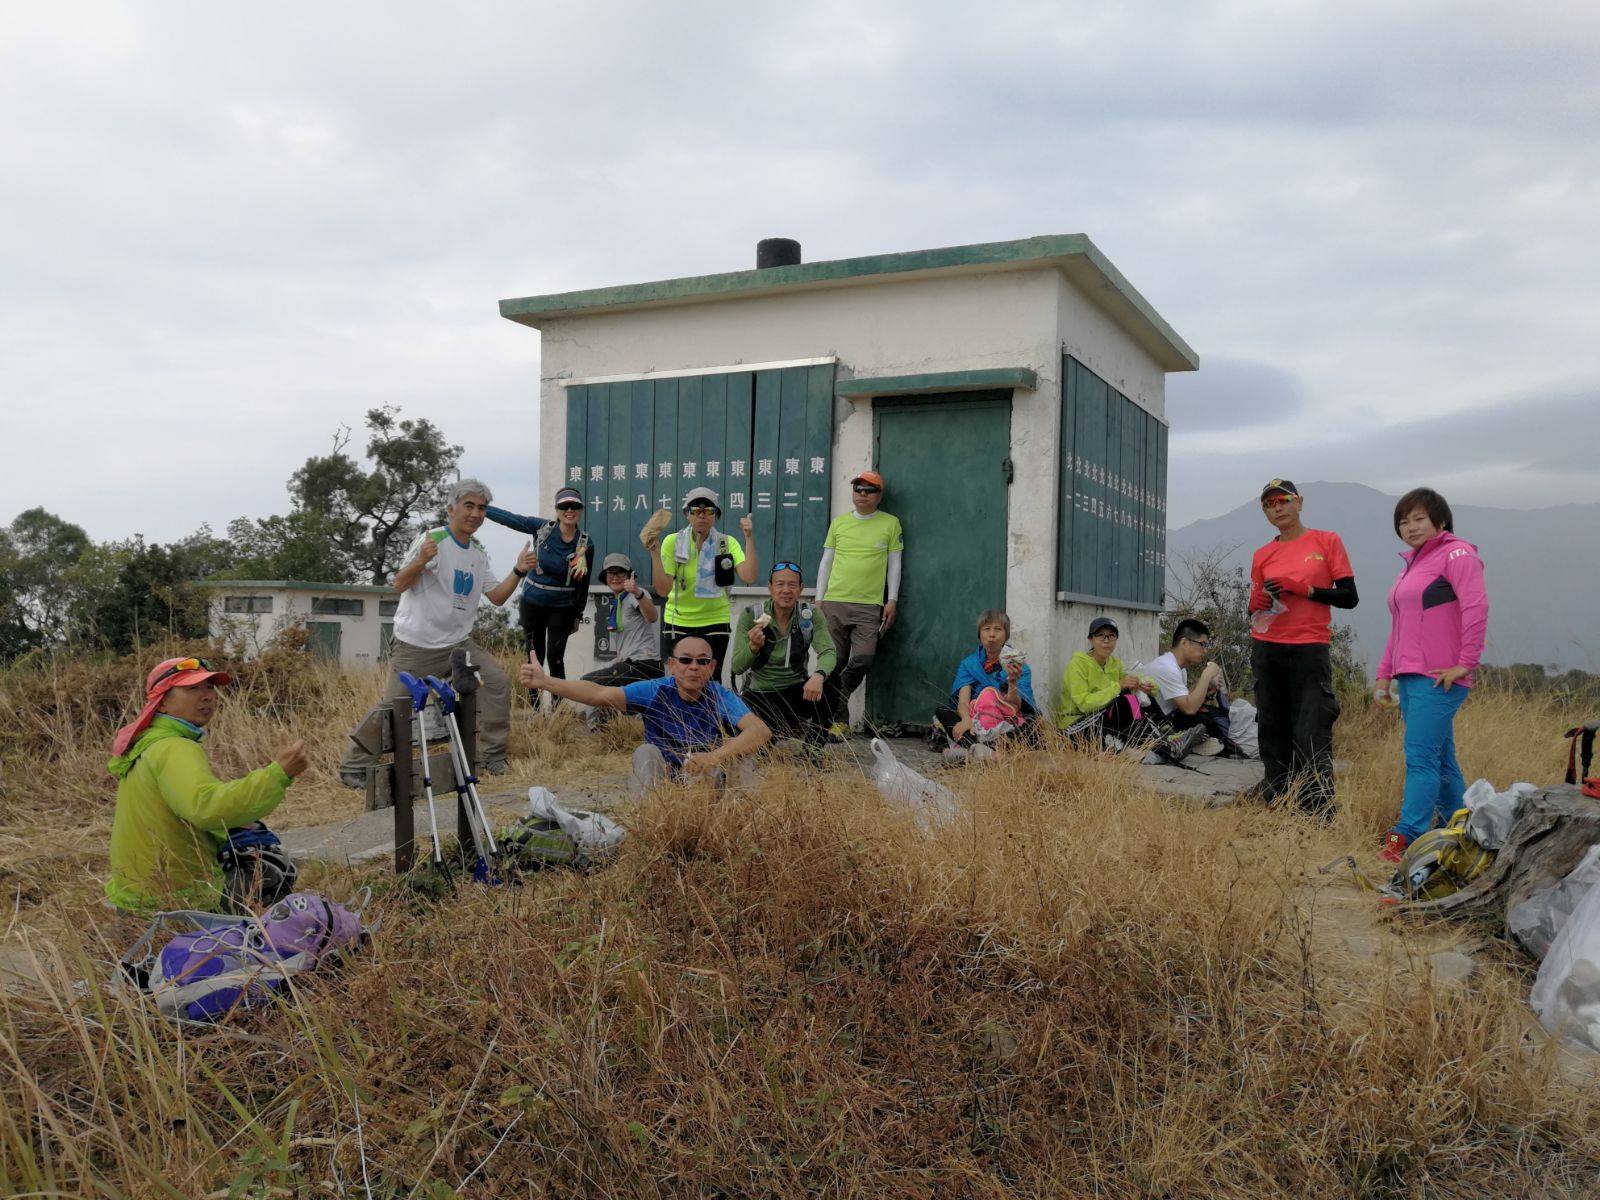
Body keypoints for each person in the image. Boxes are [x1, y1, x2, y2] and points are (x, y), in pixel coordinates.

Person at [339, 479, 529, 782]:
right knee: (395, 707)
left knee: (496, 683)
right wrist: (422, 560)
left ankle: (492, 759)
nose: (476, 514)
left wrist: (519, 569)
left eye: (482, 508)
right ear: (451, 508)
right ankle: (353, 765)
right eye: (469, 505)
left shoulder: (478, 552)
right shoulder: (433, 539)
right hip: (417, 645)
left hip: (459, 645)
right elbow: (400, 583)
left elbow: (497, 598)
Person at [106, 657, 309, 916]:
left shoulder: (148, 745)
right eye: (192, 688)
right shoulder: (174, 747)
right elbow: (207, 807)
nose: (207, 696)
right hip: (180, 899)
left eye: (210, 687)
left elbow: (187, 805)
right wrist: (277, 774)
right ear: (163, 701)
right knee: (273, 868)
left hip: (136, 896)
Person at [1374, 488, 1489, 863]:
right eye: (1404, 521)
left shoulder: (1457, 553)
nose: (1410, 527)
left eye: (1419, 519)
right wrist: (1383, 675)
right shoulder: (1412, 565)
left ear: (1440, 520)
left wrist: (1465, 663)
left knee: (1420, 758)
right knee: (1440, 761)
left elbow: (1476, 606)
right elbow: (1399, 626)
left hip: (1439, 678)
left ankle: (1407, 837)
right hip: (1411, 677)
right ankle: (1463, 831)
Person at [519, 636, 771, 795]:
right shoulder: (655, 689)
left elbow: (760, 731)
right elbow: (599, 694)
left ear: (712, 667)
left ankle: (741, 832)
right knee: (645, 752)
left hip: (707, 775)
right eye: (685, 660)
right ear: (672, 665)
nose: (693, 667)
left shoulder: (720, 695)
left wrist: (714, 757)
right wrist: (546, 682)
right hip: (662, 776)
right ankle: (648, 825)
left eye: (702, 661)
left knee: (743, 758)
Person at [1247, 479, 1358, 815]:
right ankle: (1278, 803)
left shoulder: (1326, 541)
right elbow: (1256, 613)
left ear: (1299, 502)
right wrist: (1255, 603)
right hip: (1267, 648)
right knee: (1271, 728)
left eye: (1283, 500)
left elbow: (1349, 597)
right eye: (1269, 504)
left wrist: (1305, 590)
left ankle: (1317, 812)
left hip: (1310, 647)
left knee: (1311, 730)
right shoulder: (1263, 554)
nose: (1277, 508)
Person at [484, 486, 596, 705]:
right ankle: (533, 709)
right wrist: (483, 509)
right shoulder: (543, 528)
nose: (569, 510)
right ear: (557, 509)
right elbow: (512, 519)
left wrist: (577, 616)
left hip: (563, 607)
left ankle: (557, 713)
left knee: (556, 659)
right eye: (564, 506)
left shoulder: (585, 543)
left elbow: (583, 584)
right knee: (534, 656)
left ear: (581, 510)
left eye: (575, 506)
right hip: (533, 603)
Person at [815, 469, 903, 739]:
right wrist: (819, 598)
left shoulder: (890, 523)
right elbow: (826, 562)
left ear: (879, 495)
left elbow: (895, 564)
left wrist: (892, 599)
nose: (862, 495)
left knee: (863, 660)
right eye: (858, 489)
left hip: (869, 606)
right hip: (834, 603)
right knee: (835, 661)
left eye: (869, 490)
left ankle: (835, 702)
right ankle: (837, 721)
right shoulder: (839, 523)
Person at [648, 487, 757, 683]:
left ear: (716, 515)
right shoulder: (672, 542)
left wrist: (748, 537)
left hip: (715, 620)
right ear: (687, 514)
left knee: (711, 681)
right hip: (678, 621)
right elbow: (663, 589)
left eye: (708, 510)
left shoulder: (726, 543)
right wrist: (655, 552)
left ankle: (711, 715)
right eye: (696, 510)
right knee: (678, 682)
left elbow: (749, 577)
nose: (702, 515)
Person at [730, 561, 838, 752]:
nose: (786, 590)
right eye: (780, 584)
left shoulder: (810, 615)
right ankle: (768, 736)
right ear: (770, 588)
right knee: (761, 752)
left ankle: (812, 753)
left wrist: (818, 675)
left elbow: (828, 651)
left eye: (792, 585)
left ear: (801, 589)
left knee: (833, 683)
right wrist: (753, 647)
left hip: (795, 690)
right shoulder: (751, 615)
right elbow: (737, 666)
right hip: (760, 694)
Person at [934, 610, 1040, 762]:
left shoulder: (1017, 665)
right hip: (975, 722)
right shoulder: (969, 664)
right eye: (986, 629)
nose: (992, 635)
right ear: (980, 634)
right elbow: (963, 701)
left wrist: (1012, 682)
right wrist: (966, 720)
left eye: (998, 629)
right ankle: (989, 752)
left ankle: (974, 750)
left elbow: (1016, 708)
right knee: (942, 712)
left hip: (1006, 723)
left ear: (1006, 635)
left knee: (1033, 725)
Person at [574, 553, 664, 728]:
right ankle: (614, 729)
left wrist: (637, 592)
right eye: (610, 573)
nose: (615, 577)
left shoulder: (636, 595)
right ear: (605, 577)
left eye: (620, 573)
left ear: (629, 575)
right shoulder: (617, 602)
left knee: (588, 683)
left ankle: (595, 730)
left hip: (644, 665)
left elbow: (652, 617)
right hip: (630, 663)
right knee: (611, 688)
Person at [1057, 617, 1158, 747]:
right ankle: (1152, 746)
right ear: (1091, 640)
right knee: (1124, 702)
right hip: (1077, 725)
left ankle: (1157, 740)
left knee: (1139, 696)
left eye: (1111, 636)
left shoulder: (1115, 663)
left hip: (1102, 719)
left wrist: (1144, 685)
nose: (1106, 641)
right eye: (1100, 635)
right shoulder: (1077, 664)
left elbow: (1138, 680)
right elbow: (1084, 704)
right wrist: (1118, 686)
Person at [1144, 618, 1238, 754]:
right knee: (1203, 720)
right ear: (1184, 642)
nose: (1205, 651)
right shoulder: (1167, 667)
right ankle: (1218, 747)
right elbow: (1189, 708)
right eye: (1202, 644)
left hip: (1168, 720)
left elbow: (1186, 700)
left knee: (1207, 713)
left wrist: (1207, 690)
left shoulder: (1179, 669)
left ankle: (1211, 744)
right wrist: (1206, 676)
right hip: (1154, 727)